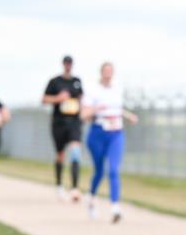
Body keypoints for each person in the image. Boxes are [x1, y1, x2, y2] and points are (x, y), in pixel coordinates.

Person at [82, 62, 138, 223]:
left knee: (113, 169)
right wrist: (96, 109)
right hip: (98, 131)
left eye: (110, 71)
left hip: (116, 132)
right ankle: (92, 198)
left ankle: (115, 207)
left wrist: (129, 116)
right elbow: (83, 114)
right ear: (101, 72)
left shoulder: (117, 88)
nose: (108, 73)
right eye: (105, 71)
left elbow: (117, 109)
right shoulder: (92, 90)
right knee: (99, 170)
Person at [43, 55, 84, 202]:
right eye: (66, 63)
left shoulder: (77, 81)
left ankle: (74, 188)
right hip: (59, 122)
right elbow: (44, 99)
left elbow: (81, 99)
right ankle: (59, 185)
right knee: (60, 155)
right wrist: (58, 98)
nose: (68, 65)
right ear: (63, 64)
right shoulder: (55, 82)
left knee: (75, 152)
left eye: (70, 63)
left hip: (74, 122)